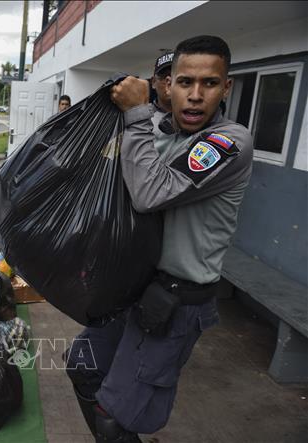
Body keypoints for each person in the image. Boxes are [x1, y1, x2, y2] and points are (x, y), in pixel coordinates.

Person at [65, 35, 253, 442]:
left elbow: (150, 193)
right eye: (185, 82)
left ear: (227, 87)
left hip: (176, 299)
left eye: (210, 84)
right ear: (167, 85)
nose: (196, 96)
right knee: (83, 365)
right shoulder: (159, 128)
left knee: (115, 417)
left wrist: (135, 112)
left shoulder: (229, 142)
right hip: (134, 285)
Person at [150, 51, 173, 136]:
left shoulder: (199, 116)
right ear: (153, 82)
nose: (169, 82)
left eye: (176, 76)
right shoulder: (142, 119)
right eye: (164, 77)